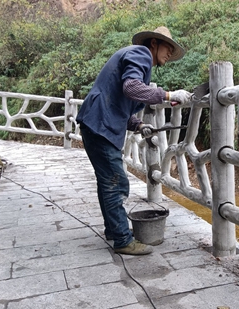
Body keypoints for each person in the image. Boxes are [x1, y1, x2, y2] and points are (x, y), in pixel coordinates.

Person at [76, 26, 192, 255]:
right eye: (168, 48)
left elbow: (119, 101)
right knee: (116, 183)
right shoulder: (140, 54)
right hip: (100, 125)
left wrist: (139, 125)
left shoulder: (136, 58)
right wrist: (169, 95)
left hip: (97, 123)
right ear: (154, 44)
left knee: (107, 182)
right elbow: (131, 88)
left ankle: (114, 229)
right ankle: (122, 240)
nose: (169, 54)